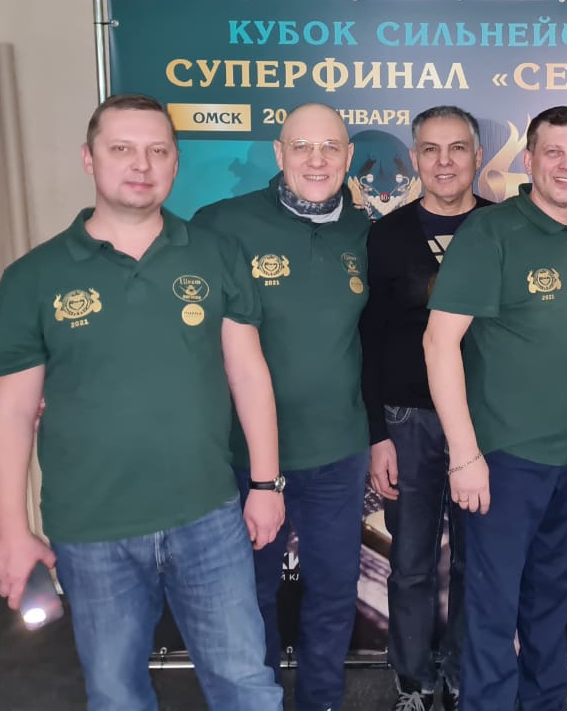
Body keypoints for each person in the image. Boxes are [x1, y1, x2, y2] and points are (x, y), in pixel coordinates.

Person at [0, 94, 284, 711]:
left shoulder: (215, 253)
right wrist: (12, 530)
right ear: (89, 159)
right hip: (93, 529)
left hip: (208, 517)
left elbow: (248, 372)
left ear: (175, 163)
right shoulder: (32, 278)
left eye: (157, 151)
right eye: (122, 149)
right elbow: (12, 413)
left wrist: (265, 483)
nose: (141, 165)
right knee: (117, 693)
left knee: (246, 685)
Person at [422, 106, 567, 711]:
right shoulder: (491, 232)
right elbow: (439, 342)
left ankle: (545, 702)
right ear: (528, 160)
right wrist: (464, 455)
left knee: (551, 601)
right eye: (553, 152)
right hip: (503, 458)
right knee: (492, 611)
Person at [193, 102, 371, 711]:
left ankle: (322, 700)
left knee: (334, 591)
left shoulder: (364, 231)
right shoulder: (221, 224)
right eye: (302, 147)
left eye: (330, 148)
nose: (317, 161)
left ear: (348, 157)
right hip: (242, 453)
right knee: (249, 593)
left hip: (337, 449)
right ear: (279, 153)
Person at [360, 106, 491, 710]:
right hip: (406, 421)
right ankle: (414, 680)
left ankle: (463, 674)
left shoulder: (502, 227)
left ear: (477, 157)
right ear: (415, 159)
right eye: (431, 150)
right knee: (410, 561)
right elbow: (368, 341)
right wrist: (376, 436)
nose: (444, 162)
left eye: (457, 148)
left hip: (483, 422)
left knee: (474, 561)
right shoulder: (385, 236)